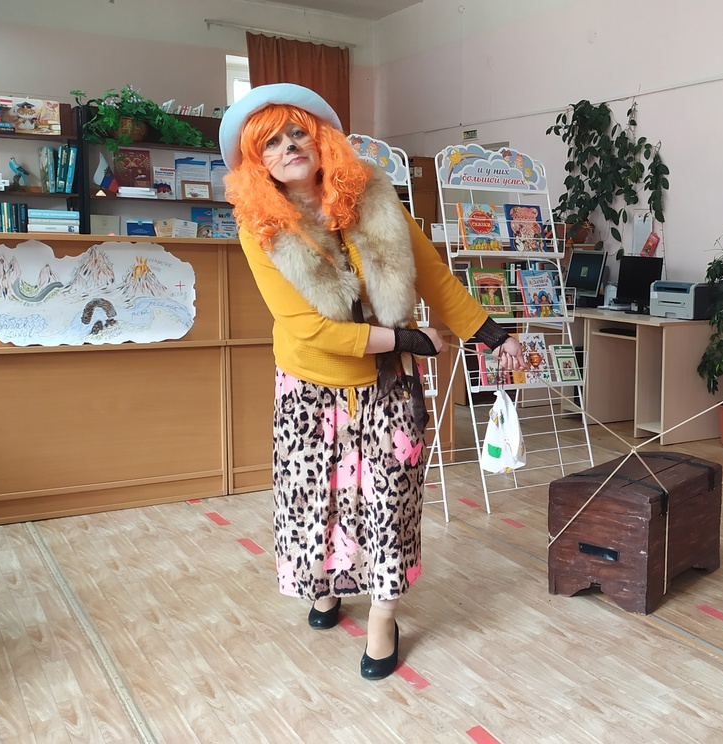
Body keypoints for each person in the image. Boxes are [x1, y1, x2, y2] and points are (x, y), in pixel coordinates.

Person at [220, 84, 525, 681]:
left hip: (390, 385)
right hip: (311, 386)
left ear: (320, 139)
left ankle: (383, 616)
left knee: (391, 500)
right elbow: (309, 328)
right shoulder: (260, 228)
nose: (288, 148)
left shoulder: (375, 196)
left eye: (297, 133)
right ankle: (325, 586)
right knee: (318, 500)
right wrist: (410, 339)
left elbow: (432, 275)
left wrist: (491, 334)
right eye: (271, 143)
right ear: (258, 163)